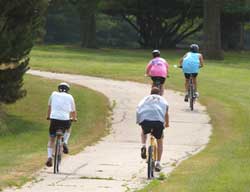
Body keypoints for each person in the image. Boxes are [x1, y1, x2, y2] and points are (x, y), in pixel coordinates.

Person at [136, 87, 169, 172]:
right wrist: (167, 124)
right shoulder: (163, 100)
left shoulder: (145, 99)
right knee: (159, 140)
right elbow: (166, 113)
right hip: (158, 122)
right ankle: (158, 163)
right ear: (159, 93)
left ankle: (143, 145)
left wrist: (139, 121)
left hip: (145, 120)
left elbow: (138, 108)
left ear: (150, 93)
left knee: (144, 131)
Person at [46, 82, 77, 167]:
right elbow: (73, 111)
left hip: (54, 119)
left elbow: (49, 107)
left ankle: (49, 157)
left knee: (52, 139)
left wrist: (48, 116)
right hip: (65, 120)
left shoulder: (53, 94)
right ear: (67, 90)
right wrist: (74, 118)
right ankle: (65, 142)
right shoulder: (70, 97)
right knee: (68, 128)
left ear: (58, 89)